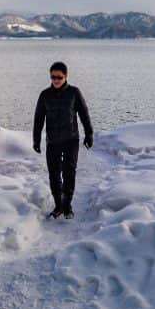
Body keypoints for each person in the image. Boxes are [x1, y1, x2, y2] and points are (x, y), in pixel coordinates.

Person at [33, 61, 93, 220]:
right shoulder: (44, 95)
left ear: (66, 76)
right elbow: (38, 119)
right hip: (52, 141)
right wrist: (36, 140)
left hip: (71, 139)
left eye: (59, 77)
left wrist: (89, 134)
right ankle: (58, 205)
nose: (56, 80)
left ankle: (67, 205)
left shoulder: (74, 92)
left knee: (69, 172)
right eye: (53, 77)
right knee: (54, 174)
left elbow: (84, 114)